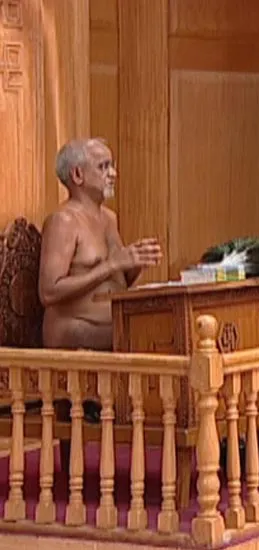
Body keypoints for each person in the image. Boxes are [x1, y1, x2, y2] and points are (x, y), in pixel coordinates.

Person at [38, 138, 162, 421]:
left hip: (111, 325)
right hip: (74, 331)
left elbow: (117, 281)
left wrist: (135, 262)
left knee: (159, 330)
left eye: (112, 166)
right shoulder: (63, 221)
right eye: (103, 166)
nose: (113, 173)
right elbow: (48, 291)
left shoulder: (109, 219)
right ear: (77, 175)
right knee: (149, 336)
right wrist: (112, 264)